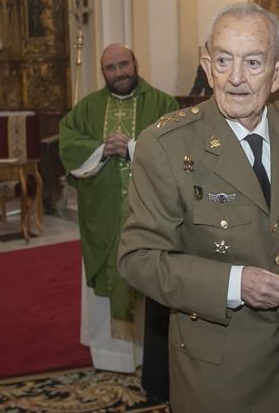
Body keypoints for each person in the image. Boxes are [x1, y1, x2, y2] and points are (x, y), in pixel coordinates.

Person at [119, 3, 279, 413]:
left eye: (253, 63)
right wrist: (235, 284)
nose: (236, 78)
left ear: (278, 74)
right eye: (223, 60)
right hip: (220, 376)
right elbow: (138, 259)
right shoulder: (167, 146)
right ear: (207, 65)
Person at [58, 44, 178, 394]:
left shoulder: (162, 104)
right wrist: (100, 149)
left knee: (149, 279)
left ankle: (147, 354)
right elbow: (68, 141)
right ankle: (111, 354)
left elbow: (174, 147)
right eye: (111, 68)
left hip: (148, 215)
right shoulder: (89, 107)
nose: (119, 72)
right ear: (103, 72)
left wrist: (133, 147)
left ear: (135, 64)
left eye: (124, 64)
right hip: (104, 214)